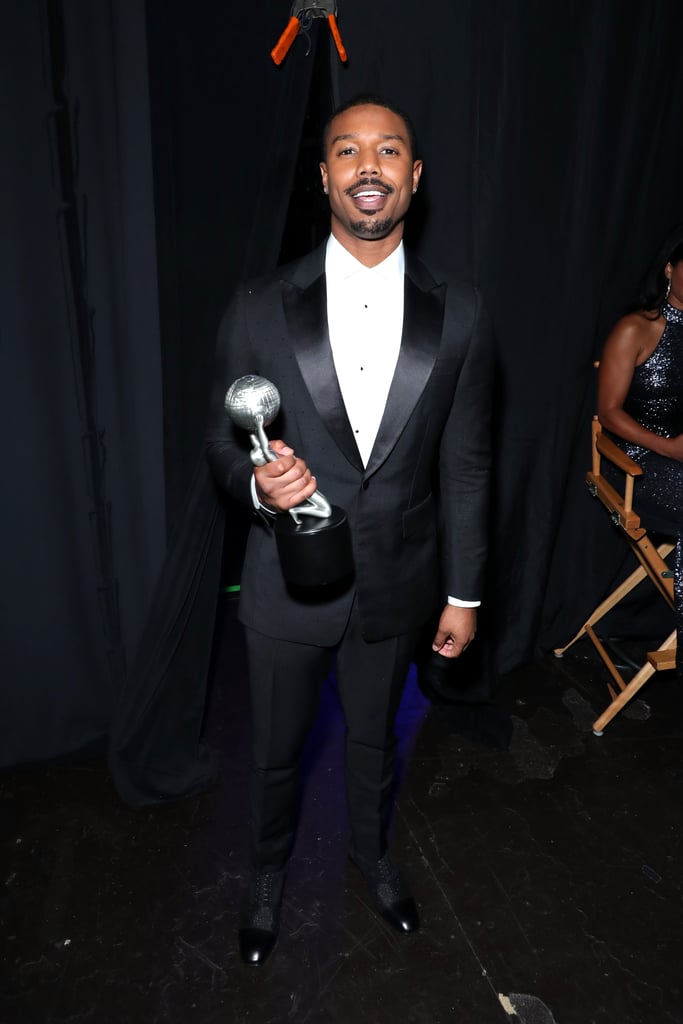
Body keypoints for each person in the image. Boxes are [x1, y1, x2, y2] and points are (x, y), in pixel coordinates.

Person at [206, 94, 493, 966]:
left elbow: (468, 464)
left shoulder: (464, 312)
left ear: (413, 177)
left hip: (397, 585)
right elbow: (220, 448)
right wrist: (259, 485)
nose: (368, 166)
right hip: (284, 585)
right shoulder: (258, 304)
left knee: (375, 746)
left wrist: (464, 592)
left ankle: (374, 861)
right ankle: (265, 877)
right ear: (324, 175)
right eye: (347, 151)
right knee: (275, 753)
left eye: (388, 151)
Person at [597, 224, 683, 670]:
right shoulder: (637, 328)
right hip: (635, 461)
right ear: (670, 269)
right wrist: (667, 449)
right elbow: (609, 412)